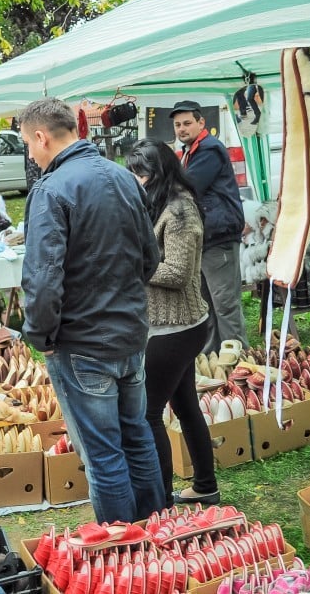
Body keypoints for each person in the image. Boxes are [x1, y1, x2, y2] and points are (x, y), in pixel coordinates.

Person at [19, 97, 164, 524]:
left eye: (28, 143)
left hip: (83, 344)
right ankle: (158, 537)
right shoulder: (123, 177)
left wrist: (41, 336)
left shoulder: (51, 190)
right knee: (136, 438)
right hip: (129, 334)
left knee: (105, 454)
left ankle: (123, 553)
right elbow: (149, 258)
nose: (29, 153)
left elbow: (42, 281)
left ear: (42, 138)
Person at [126, 139, 220, 508]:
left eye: (143, 172)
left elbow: (178, 272)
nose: (138, 178)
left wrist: (133, 266)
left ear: (161, 171)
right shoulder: (162, 202)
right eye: (134, 172)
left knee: (148, 414)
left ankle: (160, 501)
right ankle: (205, 487)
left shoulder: (181, 211)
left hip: (176, 327)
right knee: (184, 405)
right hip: (174, 324)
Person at [169, 100, 248, 354]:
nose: (182, 129)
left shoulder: (208, 150)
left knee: (225, 306)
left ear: (201, 123)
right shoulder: (190, 151)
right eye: (178, 125)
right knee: (206, 306)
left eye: (187, 123)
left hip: (218, 238)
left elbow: (188, 188)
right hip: (205, 239)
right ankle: (213, 361)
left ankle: (238, 364)